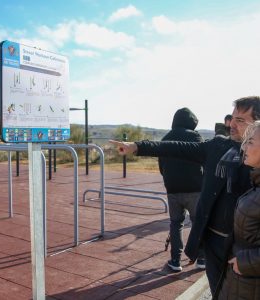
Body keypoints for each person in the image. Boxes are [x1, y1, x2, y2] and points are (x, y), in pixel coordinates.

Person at [109, 96, 260, 295]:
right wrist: (137, 146)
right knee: (218, 291)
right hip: (212, 241)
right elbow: (176, 147)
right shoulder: (217, 146)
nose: (232, 124)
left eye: (240, 120)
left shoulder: (254, 157)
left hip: (241, 246)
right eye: (232, 118)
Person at [216, 121, 260, 299]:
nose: (244, 147)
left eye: (250, 142)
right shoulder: (256, 182)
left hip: (249, 282)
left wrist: (244, 263)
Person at [158, 107, 204, 272]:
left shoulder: (165, 139)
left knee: (176, 224)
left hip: (173, 189)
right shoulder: (196, 137)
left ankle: (175, 260)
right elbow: (203, 159)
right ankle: (201, 257)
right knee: (198, 222)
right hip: (195, 188)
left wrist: (169, 180)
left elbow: (161, 166)